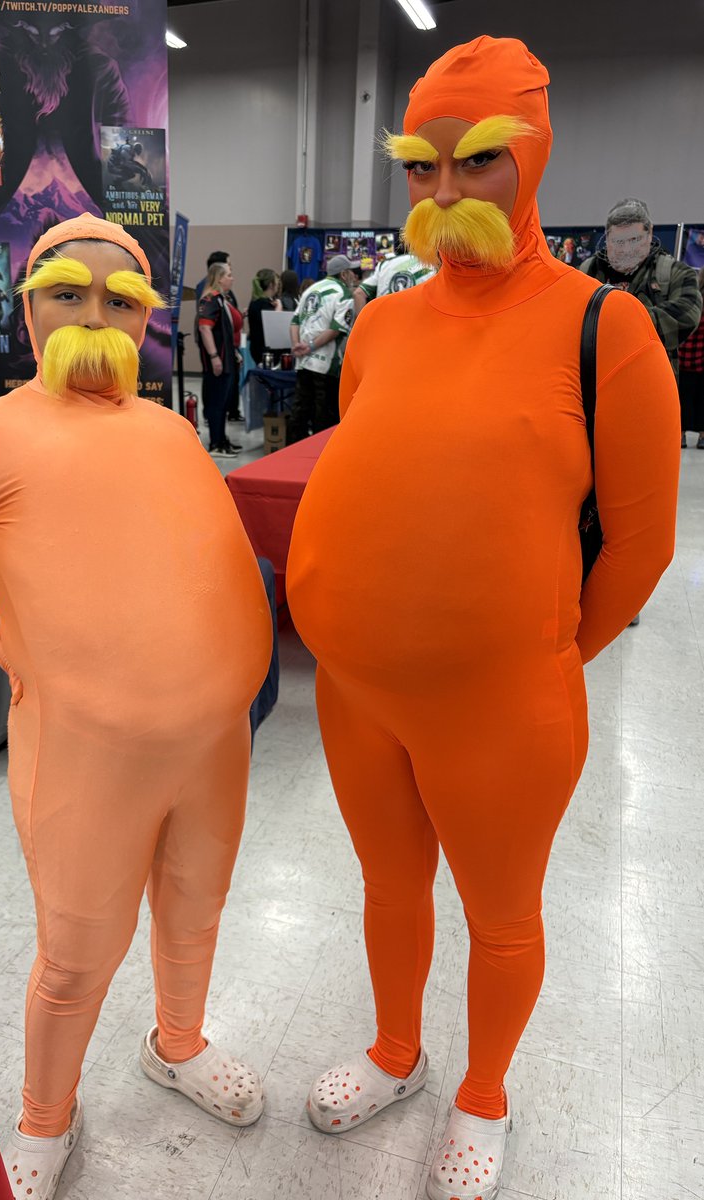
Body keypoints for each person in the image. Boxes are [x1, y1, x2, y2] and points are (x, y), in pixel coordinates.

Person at [285, 37, 678, 1200]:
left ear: (532, 157)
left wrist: (539, 650)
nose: (445, 193)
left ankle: (484, 1092)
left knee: (499, 915)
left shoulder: (603, 329)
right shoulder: (382, 327)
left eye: (477, 162)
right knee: (387, 886)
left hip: (500, 703)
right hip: (356, 693)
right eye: (421, 167)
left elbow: (643, 542)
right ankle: (397, 1052)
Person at [0, 214, 273, 1200]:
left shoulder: (166, 427)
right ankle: (44, 1115)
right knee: (74, 955)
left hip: (214, 746)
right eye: (69, 291)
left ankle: (177, 1042)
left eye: (119, 299)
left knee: (195, 912)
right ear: (28, 305)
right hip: (83, 755)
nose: (93, 314)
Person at [581, 197, 702, 380]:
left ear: (649, 234)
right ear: (607, 238)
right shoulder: (586, 271)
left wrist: (617, 323)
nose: (626, 249)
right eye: (618, 241)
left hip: (650, 385)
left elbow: (688, 314)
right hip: (592, 386)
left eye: (634, 239)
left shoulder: (675, 272)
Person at [287, 255, 357, 443]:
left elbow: (294, 321)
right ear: (343, 274)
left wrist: (296, 346)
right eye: (351, 272)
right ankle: (319, 459)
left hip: (303, 362)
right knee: (324, 415)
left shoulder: (311, 289)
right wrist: (310, 347)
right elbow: (336, 329)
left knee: (300, 410)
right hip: (326, 364)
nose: (353, 276)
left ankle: (290, 455)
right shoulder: (343, 293)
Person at [196, 260, 243, 457]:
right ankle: (216, 444)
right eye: (229, 275)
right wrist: (215, 356)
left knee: (223, 403)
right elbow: (204, 328)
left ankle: (222, 439)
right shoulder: (210, 300)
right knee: (216, 403)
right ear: (220, 278)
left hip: (227, 360)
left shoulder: (222, 300)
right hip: (218, 362)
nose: (232, 278)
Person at [352, 243, 435, 316]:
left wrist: (364, 327)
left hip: (385, 325)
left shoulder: (385, 264)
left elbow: (358, 293)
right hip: (418, 324)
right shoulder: (432, 264)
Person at [678, 267, 704, 448]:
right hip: (703, 361)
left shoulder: (690, 301)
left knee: (683, 399)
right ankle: (702, 437)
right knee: (703, 399)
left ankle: (681, 435)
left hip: (684, 359)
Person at [247, 268, 283, 366]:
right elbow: (275, 325)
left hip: (257, 348)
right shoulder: (264, 304)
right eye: (276, 282)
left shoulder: (255, 302)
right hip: (266, 350)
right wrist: (279, 307)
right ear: (271, 285)